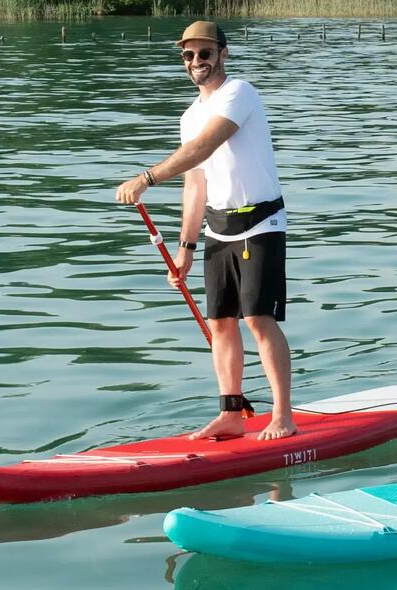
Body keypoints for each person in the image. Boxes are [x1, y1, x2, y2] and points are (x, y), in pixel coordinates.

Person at [115, 21, 294, 441]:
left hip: (260, 222)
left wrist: (147, 177)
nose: (197, 62)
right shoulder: (188, 116)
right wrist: (186, 248)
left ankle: (283, 415)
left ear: (223, 54)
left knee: (257, 317)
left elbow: (205, 146)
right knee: (220, 322)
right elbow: (196, 182)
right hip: (218, 226)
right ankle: (232, 413)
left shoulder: (240, 93)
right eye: (189, 55)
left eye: (205, 53)